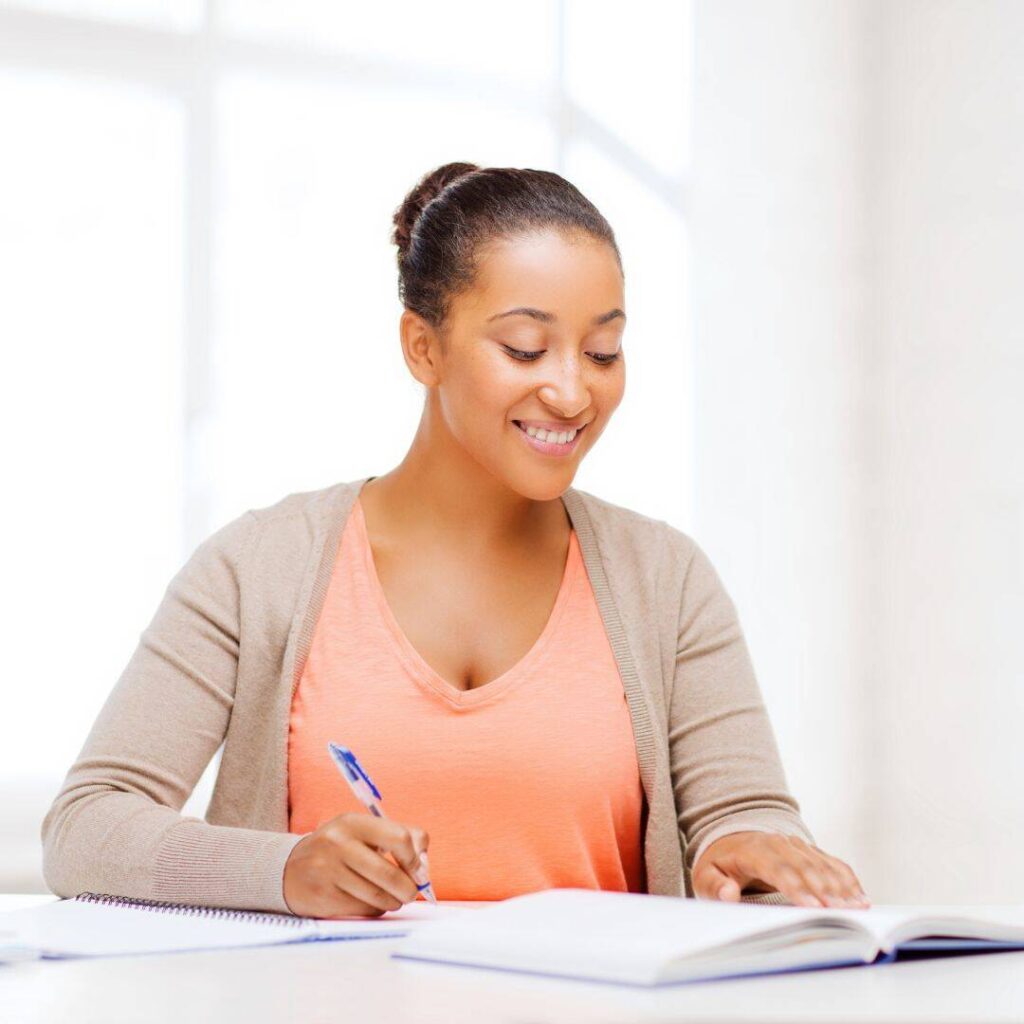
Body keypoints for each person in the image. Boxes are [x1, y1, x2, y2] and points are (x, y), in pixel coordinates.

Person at [41, 162, 869, 919]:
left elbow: (742, 809)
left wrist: (747, 848)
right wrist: (284, 869)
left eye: (604, 350)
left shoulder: (668, 580)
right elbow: (86, 828)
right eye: (524, 347)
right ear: (422, 346)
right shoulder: (258, 568)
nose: (572, 389)